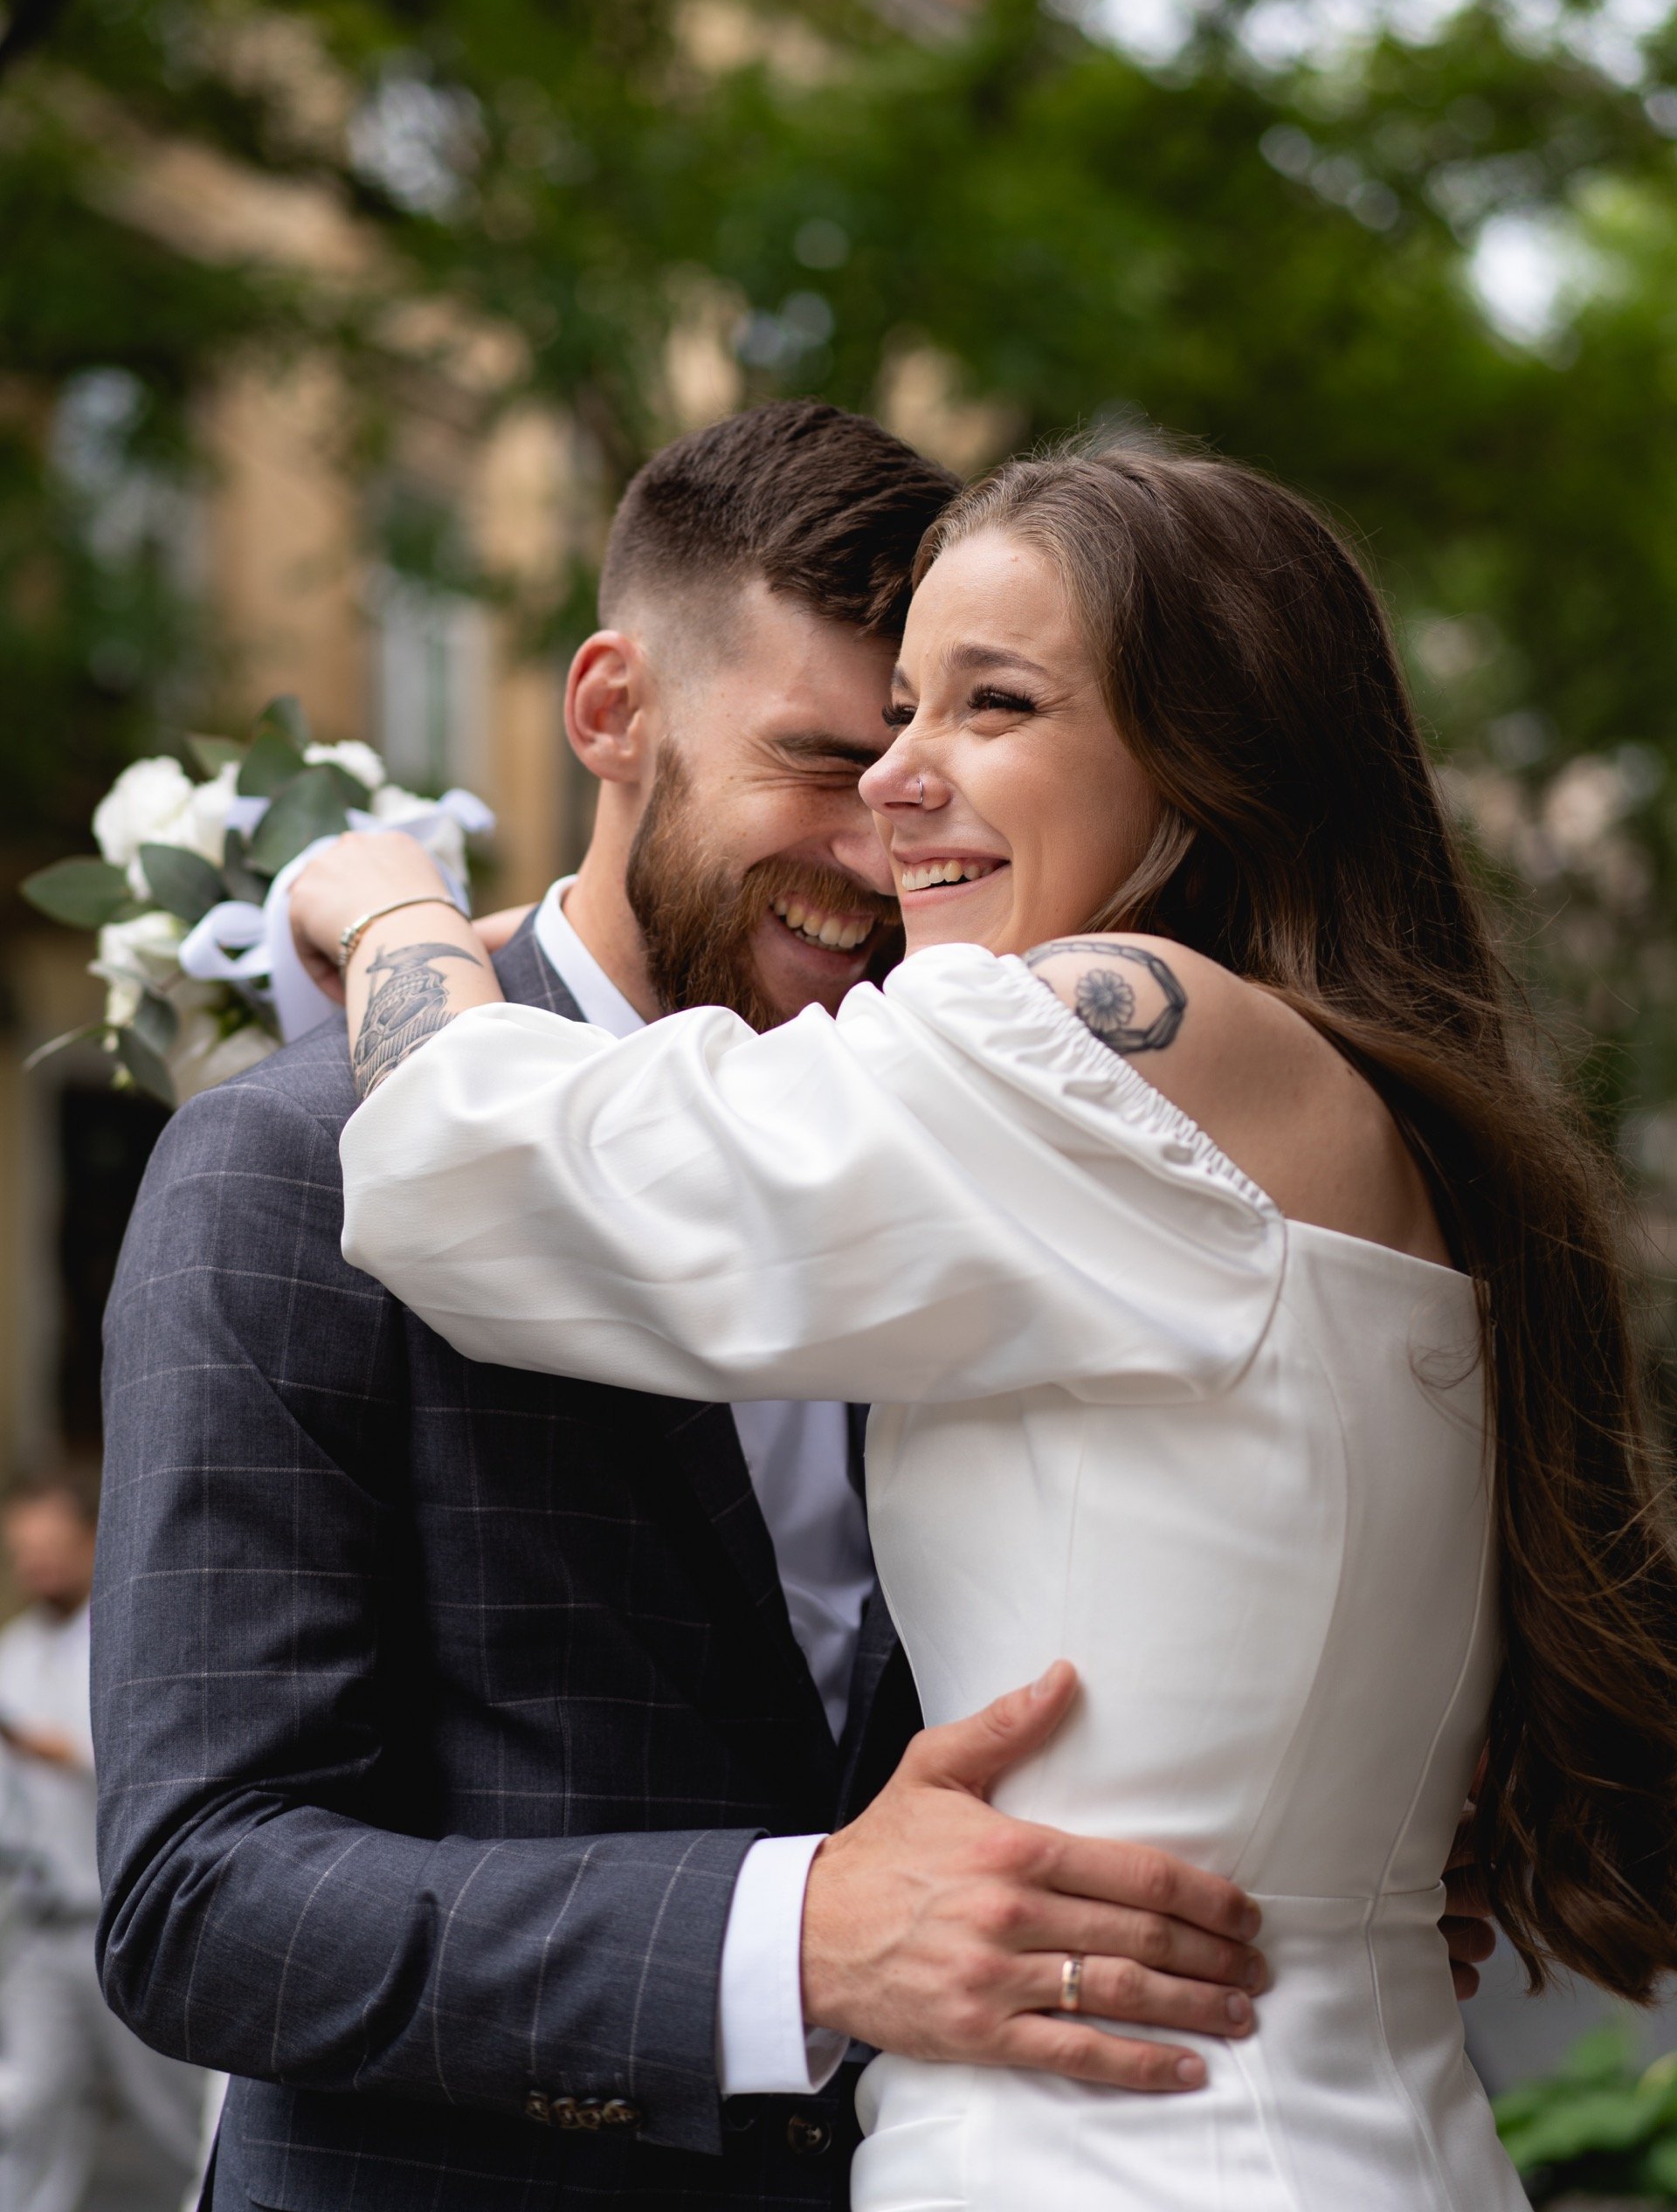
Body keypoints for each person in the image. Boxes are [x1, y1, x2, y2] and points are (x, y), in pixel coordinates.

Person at [312, 443, 1677, 2211]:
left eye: (996, 705)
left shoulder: (1129, 1023)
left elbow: (489, 1180)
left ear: (1214, 754)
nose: (895, 778)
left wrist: (393, 908)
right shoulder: (1360, 1098)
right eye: (894, 711)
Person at [94, 403, 1307, 2212]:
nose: (888, 843)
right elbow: (205, 1900)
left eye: (936, 754)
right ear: (611, 712)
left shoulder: (1021, 1142)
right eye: (821, 761)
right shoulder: (287, 1167)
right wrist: (793, 1940)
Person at [0, 1470, 205, 2212]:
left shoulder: (130, 1637)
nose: (38, 1566)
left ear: (90, 1541)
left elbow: (157, 1761)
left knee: (174, 2115)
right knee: (26, 2109)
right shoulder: (15, 1651)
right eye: (24, 1552)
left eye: (52, 1548)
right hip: (41, 1928)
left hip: (129, 1932)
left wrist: (52, 1751)